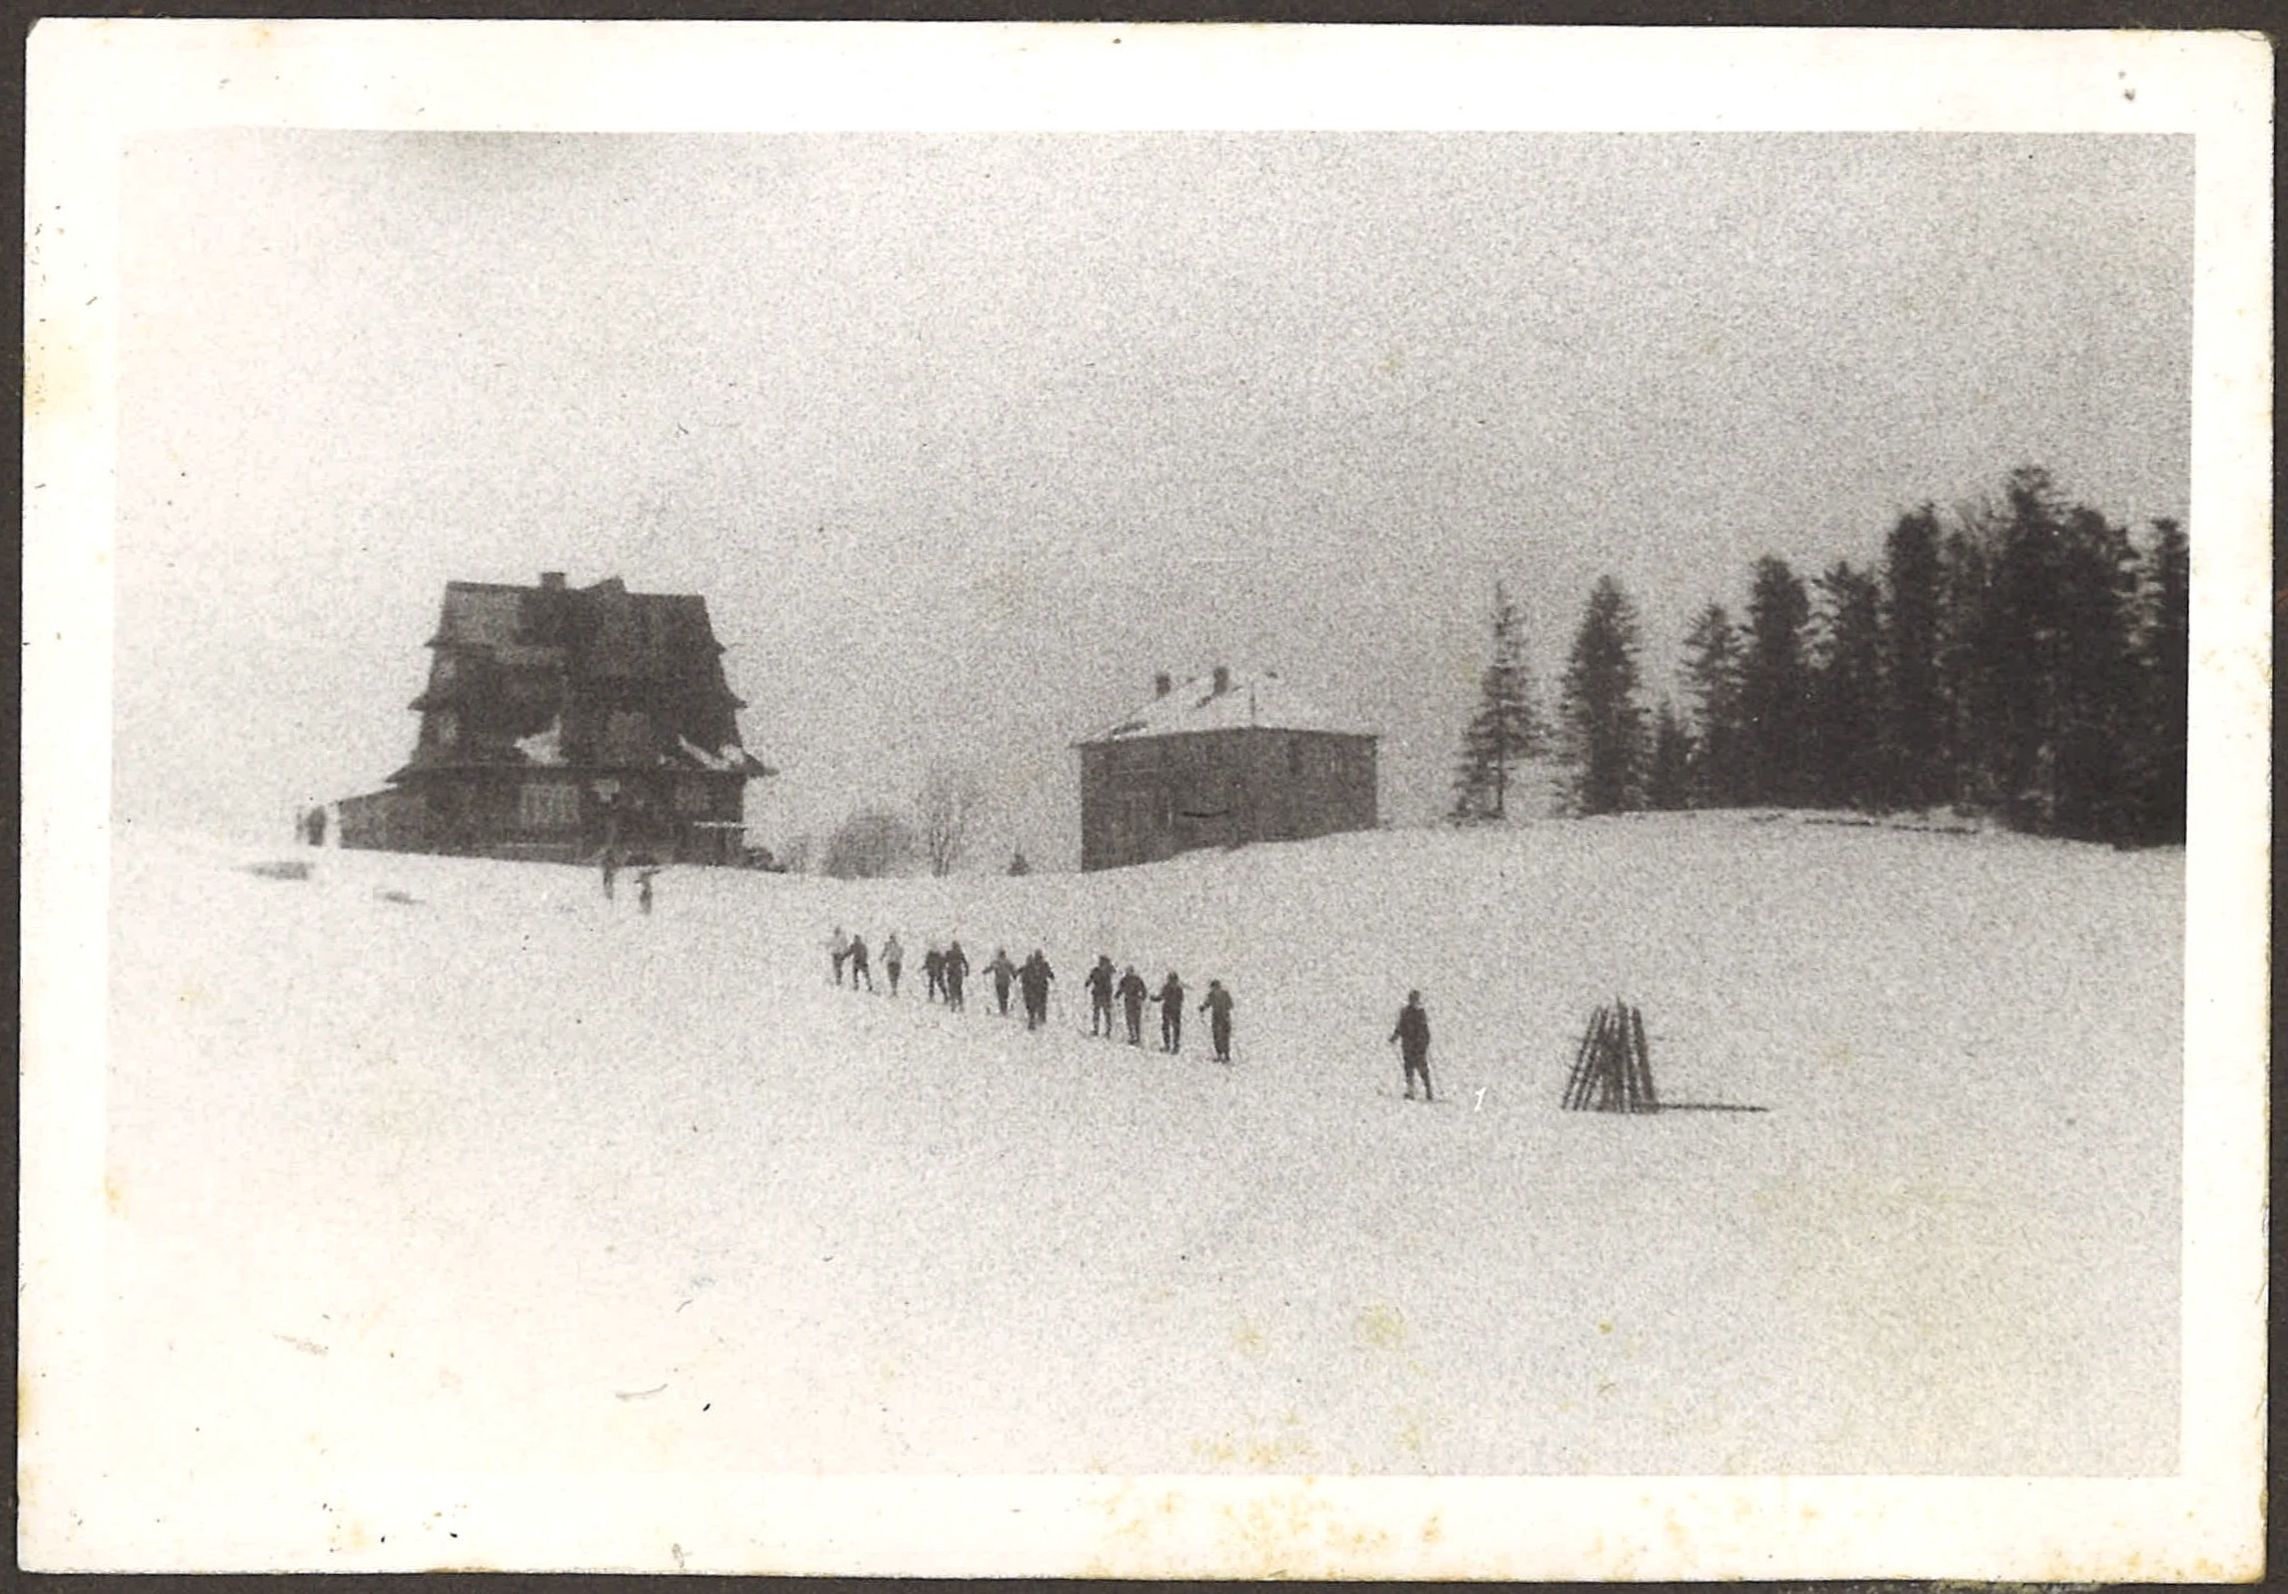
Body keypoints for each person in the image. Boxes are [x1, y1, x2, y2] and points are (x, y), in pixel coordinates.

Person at [1390, 990, 1433, 1101]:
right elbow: (1400, 1026)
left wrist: (1425, 1042)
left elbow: (1424, 1030)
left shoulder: (1419, 1013)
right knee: (1409, 1068)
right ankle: (1411, 1091)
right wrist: (1395, 1036)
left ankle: (1428, 1090)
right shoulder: (1407, 1012)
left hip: (1416, 1045)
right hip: (1409, 1045)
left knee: (1421, 1067)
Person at [1018, 949, 1055, 1031]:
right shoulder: (1044, 964)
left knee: (1032, 1004)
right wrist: (1052, 977)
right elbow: (1050, 974)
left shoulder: (1031, 965)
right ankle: (1041, 1017)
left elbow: (1022, 970)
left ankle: (1032, 1019)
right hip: (1042, 987)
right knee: (1042, 1002)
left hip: (1032, 987)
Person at [1200, 979, 1234, 1064]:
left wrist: (1225, 1008)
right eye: (1214, 988)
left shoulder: (1225, 994)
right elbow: (1207, 1003)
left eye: (1216, 988)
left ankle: (1226, 1054)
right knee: (1216, 1036)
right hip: (1216, 1017)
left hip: (1224, 1017)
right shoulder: (1211, 995)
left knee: (1225, 1036)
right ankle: (1219, 1054)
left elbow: (1230, 1004)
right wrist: (1203, 1007)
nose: (1215, 990)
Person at [1116, 966, 1149, 1046]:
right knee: (1130, 1019)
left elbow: (1144, 990)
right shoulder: (1126, 980)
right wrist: (1117, 995)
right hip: (1130, 1001)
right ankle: (1133, 1036)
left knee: (1135, 1020)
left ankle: (1136, 1037)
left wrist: (1142, 998)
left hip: (1134, 1000)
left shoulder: (1135, 979)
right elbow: (1121, 989)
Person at [1155, 971, 1186, 1054]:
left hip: (1172, 1009)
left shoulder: (1173, 988)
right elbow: (1161, 997)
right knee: (1167, 1027)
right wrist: (1155, 999)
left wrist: (1155, 998)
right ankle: (1169, 1045)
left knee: (1174, 1028)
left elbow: (1161, 997)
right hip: (1170, 1009)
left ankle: (1173, 1046)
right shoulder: (1171, 988)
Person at [1086, 955, 1116, 1037]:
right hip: (1103, 994)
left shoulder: (1097, 970)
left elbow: (1090, 979)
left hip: (1100, 994)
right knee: (1104, 1013)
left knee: (1100, 1012)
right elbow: (1090, 979)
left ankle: (1099, 1030)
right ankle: (1106, 1031)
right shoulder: (1105, 970)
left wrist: (1087, 983)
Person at [985, 948, 1019, 1016]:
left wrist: (985, 971)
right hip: (1006, 981)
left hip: (999, 982)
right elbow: (1013, 970)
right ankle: (1004, 1009)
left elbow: (989, 968)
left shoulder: (996, 962)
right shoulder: (1008, 962)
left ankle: (1002, 1009)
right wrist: (1015, 976)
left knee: (1000, 995)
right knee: (1005, 995)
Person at [943, 940, 969, 1012]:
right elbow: (966, 963)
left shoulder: (949, 953)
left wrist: (943, 968)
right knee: (959, 988)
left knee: (951, 988)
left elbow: (944, 961)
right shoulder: (960, 953)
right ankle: (961, 1004)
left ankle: (953, 1002)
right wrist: (967, 972)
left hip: (951, 972)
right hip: (958, 973)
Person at [882, 931, 904, 997]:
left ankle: (894, 990)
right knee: (892, 977)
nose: (892, 939)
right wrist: (882, 957)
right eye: (891, 938)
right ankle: (893, 990)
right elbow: (884, 951)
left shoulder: (897, 945)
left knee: (895, 977)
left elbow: (901, 953)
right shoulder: (888, 945)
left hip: (896, 963)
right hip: (891, 962)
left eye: (893, 938)